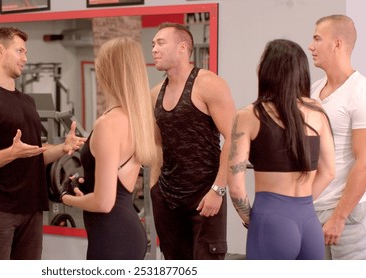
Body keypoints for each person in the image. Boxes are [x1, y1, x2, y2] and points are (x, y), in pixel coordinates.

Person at [0, 27, 85, 260]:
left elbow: (32, 154)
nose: (25, 58)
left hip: (32, 208)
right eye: (19, 51)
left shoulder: (27, 101)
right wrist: (11, 153)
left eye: (25, 52)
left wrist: (62, 148)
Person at [227, 39, 335, 260]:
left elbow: (236, 187)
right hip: (309, 222)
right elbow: (329, 171)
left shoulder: (249, 115)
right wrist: (299, 205)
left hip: (271, 221)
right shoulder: (318, 112)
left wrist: (251, 219)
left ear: (266, 70)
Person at [61, 36, 157, 260]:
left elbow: (104, 202)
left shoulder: (108, 123)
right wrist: (85, 188)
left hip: (112, 237)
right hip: (125, 231)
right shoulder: (136, 119)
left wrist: (67, 198)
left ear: (106, 71)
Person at [150, 22, 236, 260]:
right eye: (153, 44)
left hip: (205, 196)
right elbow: (158, 144)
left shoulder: (209, 83)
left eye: (160, 43)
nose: (154, 49)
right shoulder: (155, 93)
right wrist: (154, 188)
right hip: (167, 199)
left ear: (182, 47)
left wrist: (218, 190)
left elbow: (233, 138)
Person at [309, 14, 366, 259]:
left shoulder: (359, 92)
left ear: (337, 44)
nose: (311, 46)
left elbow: (364, 162)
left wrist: (339, 217)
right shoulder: (313, 90)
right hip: (311, 211)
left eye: (317, 39)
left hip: (345, 217)